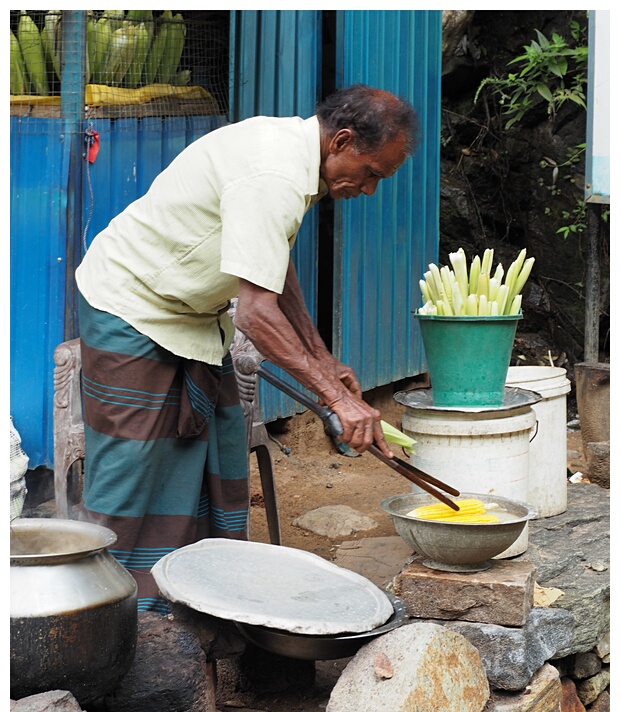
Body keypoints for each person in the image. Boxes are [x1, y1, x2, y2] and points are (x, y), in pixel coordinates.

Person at [75, 84, 419, 612]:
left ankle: (189, 612)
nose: (369, 189)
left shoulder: (298, 162)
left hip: (189, 321)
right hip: (133, 309)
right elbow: (257, 314)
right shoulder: (274, 173)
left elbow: (273, 263)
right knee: (128, 479)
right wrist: (335, 398)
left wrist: (325, 361)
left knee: (210, 469)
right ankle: (100, 619)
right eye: (372, 173)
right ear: (342, 140)